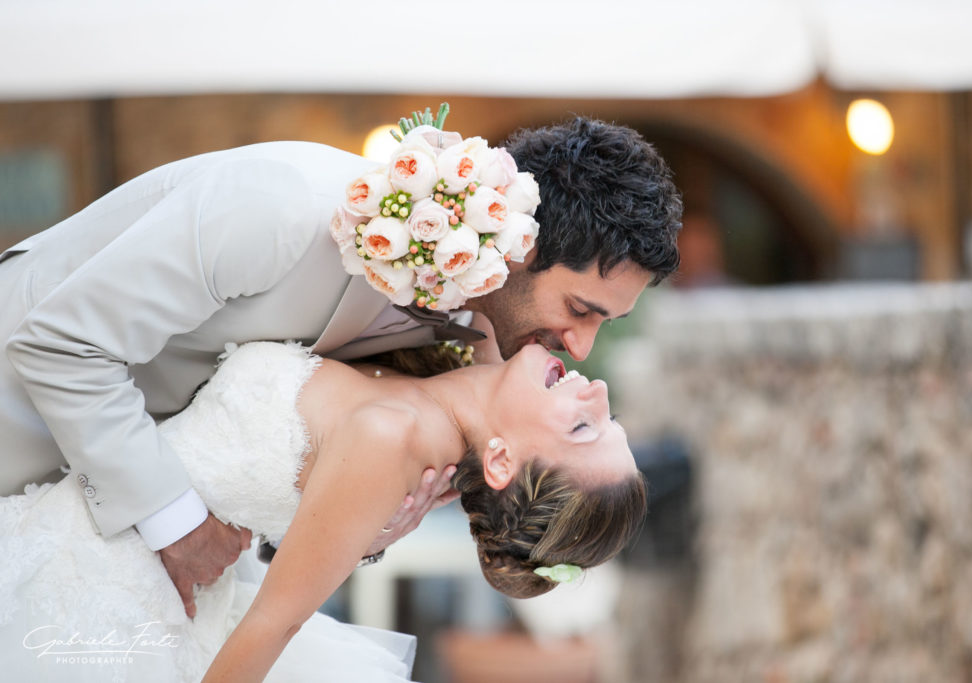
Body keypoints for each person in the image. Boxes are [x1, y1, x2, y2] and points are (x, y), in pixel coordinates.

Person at [0, 113, 681, 616]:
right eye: (582, 308)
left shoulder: (480, 338)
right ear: (524, 245)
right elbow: (60, 345)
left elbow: (262, 444)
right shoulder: (282, 209)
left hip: (90, 523)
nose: (583, 347)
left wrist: (361, 522)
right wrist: (175, 525)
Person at [0, 339, 647, 682]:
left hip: (110, 581)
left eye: (585, 429)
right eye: (607, 417)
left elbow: (270, 625)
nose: (599, 388)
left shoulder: (392, 437)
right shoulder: (449, 371)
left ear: (503, 463)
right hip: (95, 520)